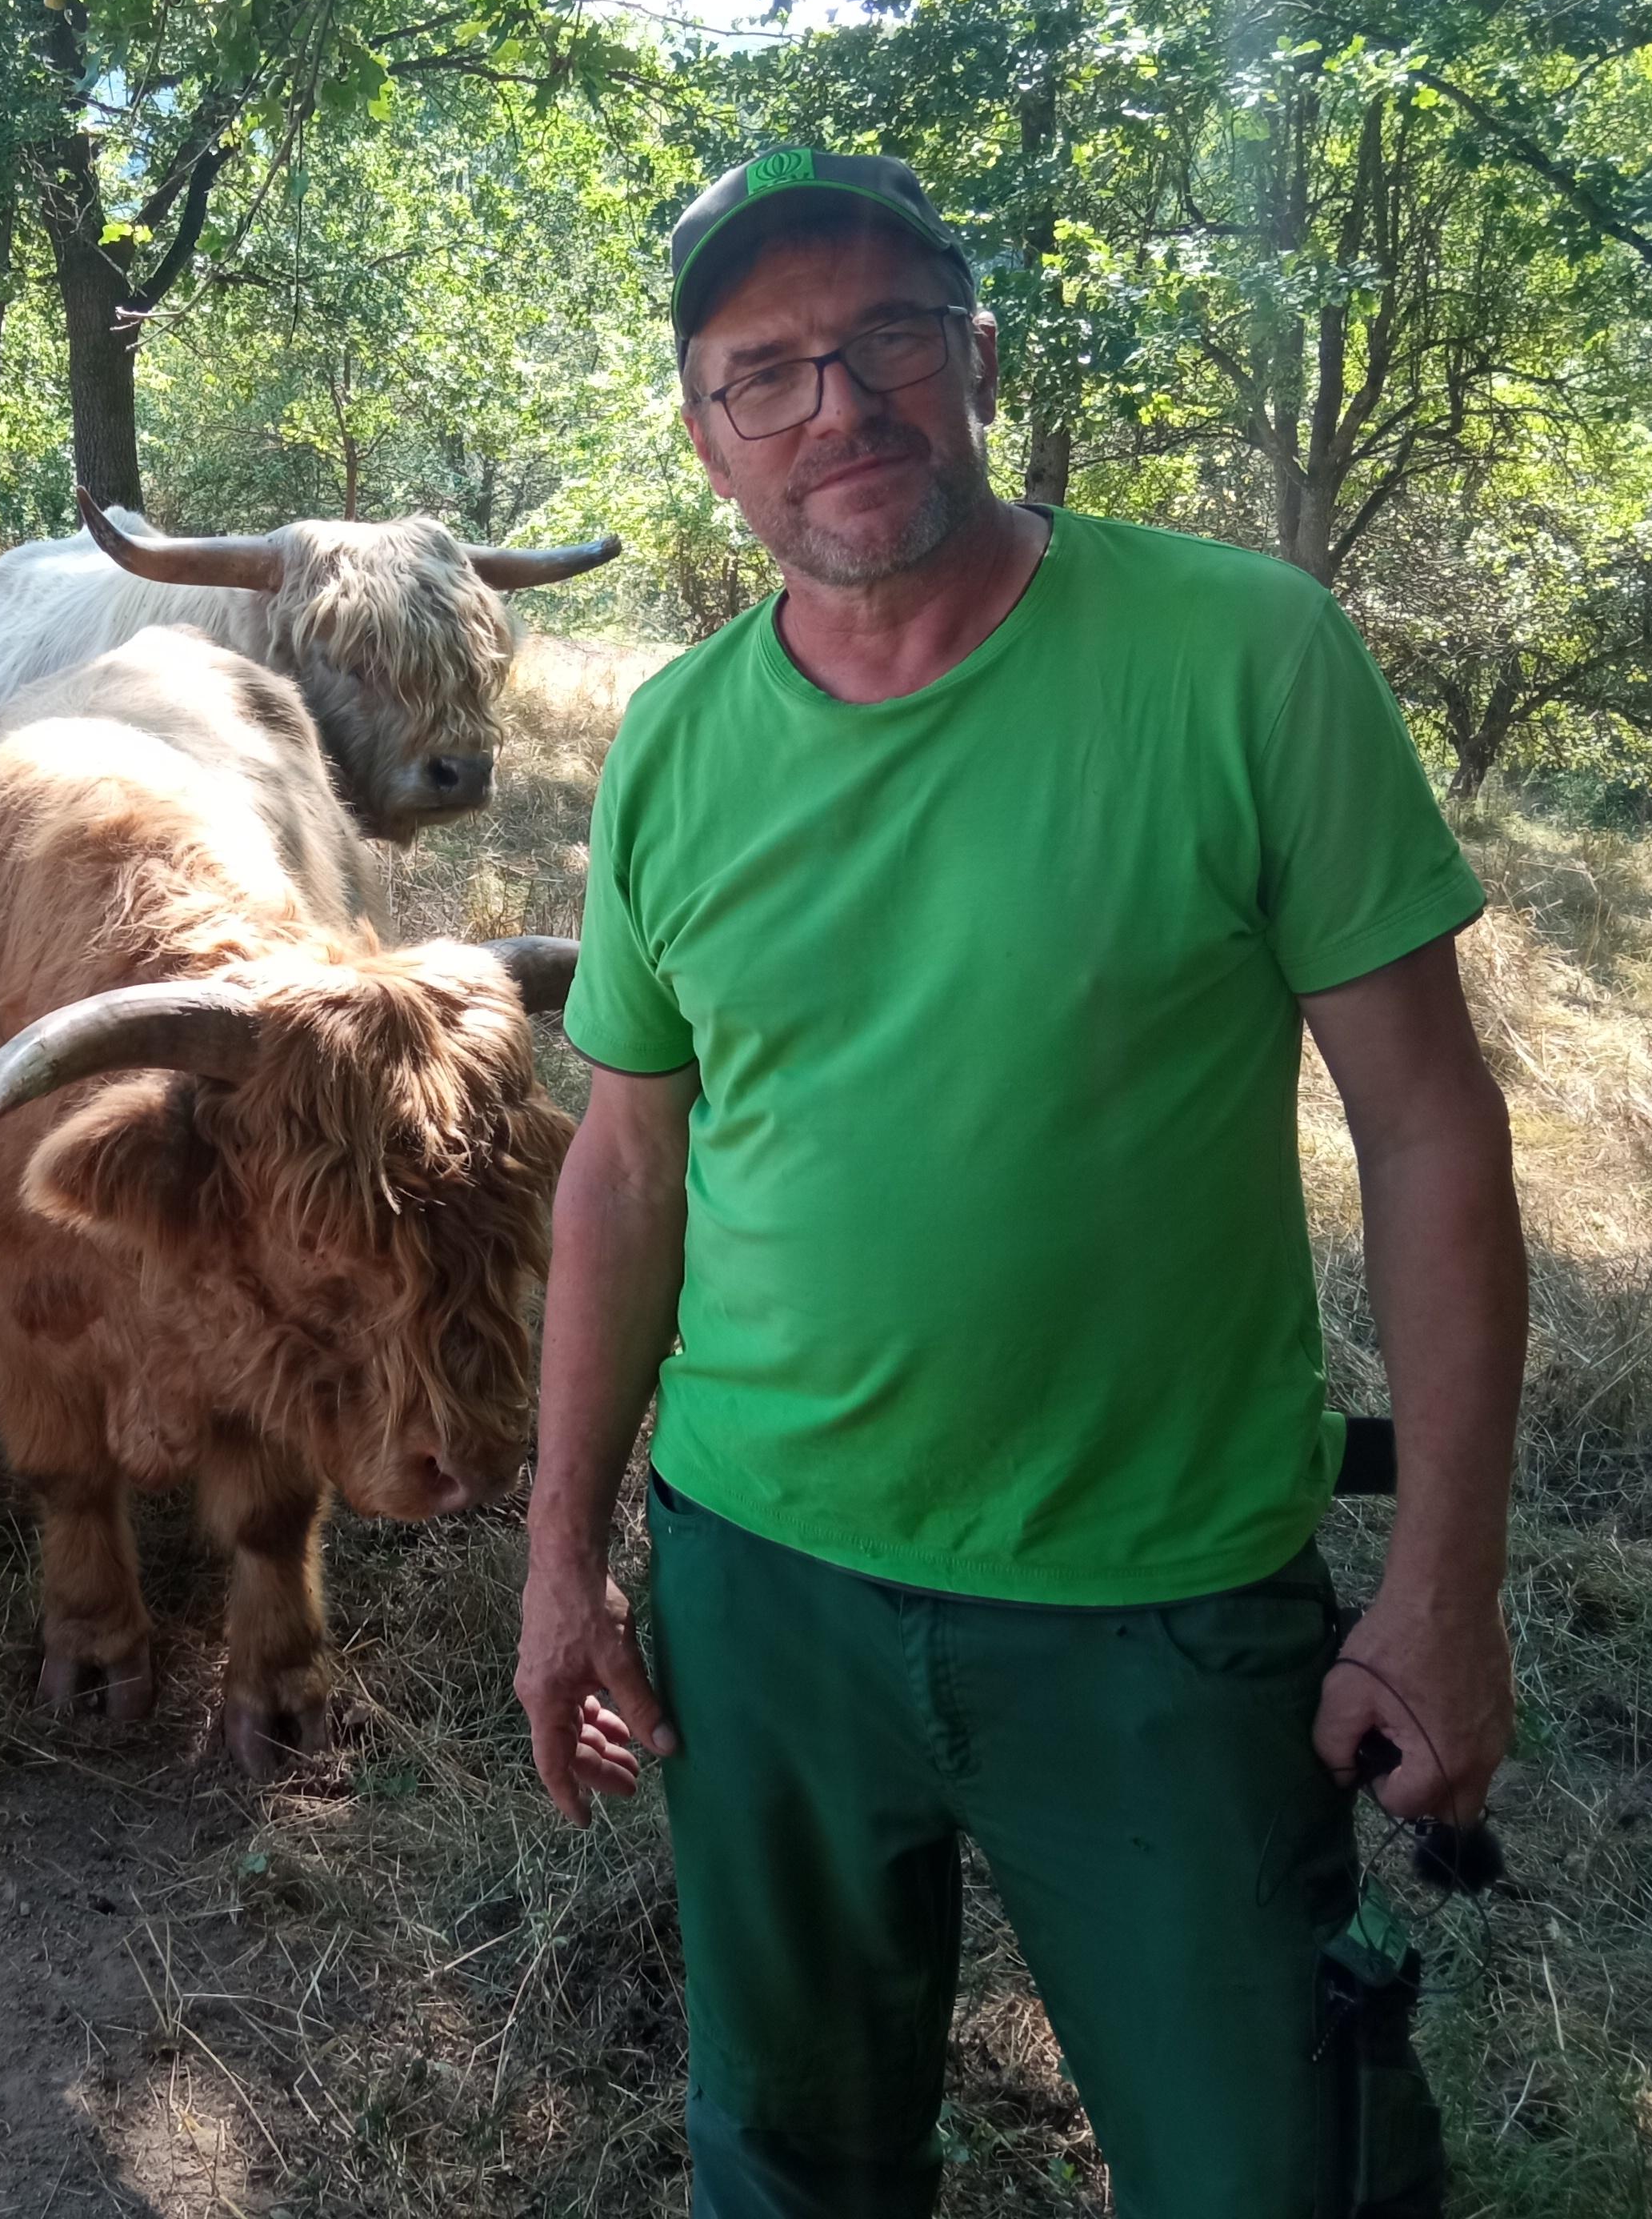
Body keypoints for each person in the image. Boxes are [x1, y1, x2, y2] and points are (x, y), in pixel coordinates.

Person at [511, 144, 1526, 2217]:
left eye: (887, 337)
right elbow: (624, 1163)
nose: (839, 407)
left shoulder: (1245, 658)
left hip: (1155, 1604)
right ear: (708, 436)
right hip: (759, 1588)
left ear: (974, 357)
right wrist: (563, 1558)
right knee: (793, 2160)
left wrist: (1442, 1589)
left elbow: (1429, 1127)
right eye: (764, 371)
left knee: (1278, 2171)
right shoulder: (676, 746)